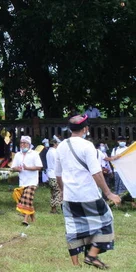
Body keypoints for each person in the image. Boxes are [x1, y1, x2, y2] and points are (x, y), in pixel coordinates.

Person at [55, 115, 121, 268]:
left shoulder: (62, 146)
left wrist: (63, 191)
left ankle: (75, 265)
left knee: (74, 226)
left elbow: (58, 175)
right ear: (85, 129)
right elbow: (96, 173)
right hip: (88, 194)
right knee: (106, 221)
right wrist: (109, 193)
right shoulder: (87, 146)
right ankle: (91, 256)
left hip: (70, 195)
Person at [11, 136, 43, 226]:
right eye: (21, 143)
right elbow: (13, 167)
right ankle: (32, 214)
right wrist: (18, 168)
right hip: (22, 181)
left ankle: (25, 219)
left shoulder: (34, 154)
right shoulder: (18, 155)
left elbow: (39, 167)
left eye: (25, 143)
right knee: (25, 199)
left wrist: (27, 168)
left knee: (27, 196)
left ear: (29, 144)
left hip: (32, 181)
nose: (23, 145)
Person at [46, 136, 62, 214]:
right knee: (57, 192)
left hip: (50, 174)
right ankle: (54, 209)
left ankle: (53, 208)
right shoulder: (55, 152)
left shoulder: (49, 151)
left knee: (53, 192)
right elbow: (58, 164)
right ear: (55, 144)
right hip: (55, 174)